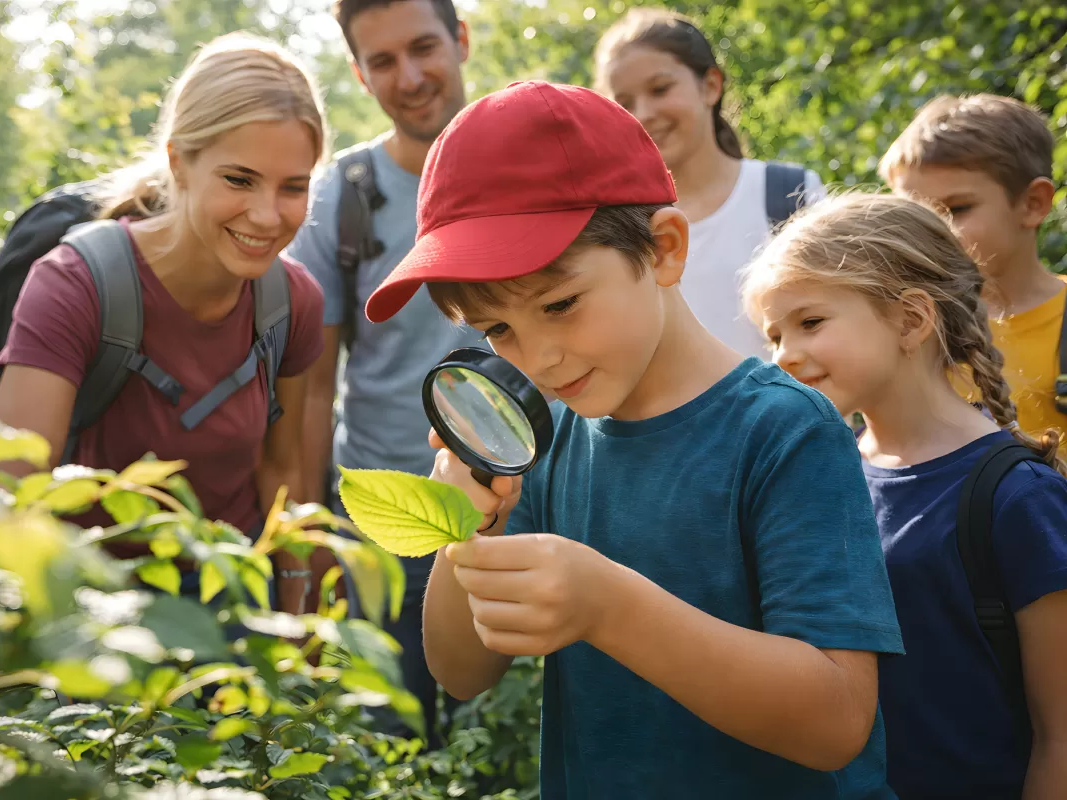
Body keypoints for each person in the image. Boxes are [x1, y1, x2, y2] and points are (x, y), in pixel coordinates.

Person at [364, 80, 904, 798]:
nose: (539, 359)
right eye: (498, 330)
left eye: (560, 304)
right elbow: (463, 671)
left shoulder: (783, 430)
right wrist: (465, 529)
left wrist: (609, 607)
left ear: (664, 250)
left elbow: (836, 721)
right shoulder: (547, 441)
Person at [742, 192, 1067, 799]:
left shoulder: (1019, 498)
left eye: (810, 322)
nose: (784, 355)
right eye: (774, 335)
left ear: (911, 319)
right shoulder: (817, 475)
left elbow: (1061, 738)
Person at [0, 33, 326, 612]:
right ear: (179, 162)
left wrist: (298, 610)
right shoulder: (75, 285)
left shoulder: (292, 303)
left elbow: (282, 469)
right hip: (93, 600)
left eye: (293, 187)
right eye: (239, 180)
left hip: (232, 592)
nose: (269, 216)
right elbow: (12, 488)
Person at [284, 0, 479, 743]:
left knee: (504, 750)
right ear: (361, 76)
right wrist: (310, 550)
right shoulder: (342, 194)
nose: (411, 76)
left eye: (424, 47)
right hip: (380, 526)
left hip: (515, 513)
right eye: (383, 61)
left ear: (460, 39)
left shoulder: (520, 163)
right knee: (387, 748)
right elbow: (310, 393)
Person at [593, 8, 824, 358]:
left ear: (711, 86)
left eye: (660, 88)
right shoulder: (616, 225)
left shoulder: (790, 193)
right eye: (624, 103)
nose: (643, 114)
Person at [879, 94, 1067, 439]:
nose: (933, 229)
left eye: (956, 209)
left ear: (1033, 204)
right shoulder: (902, 327)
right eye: (916, 212)